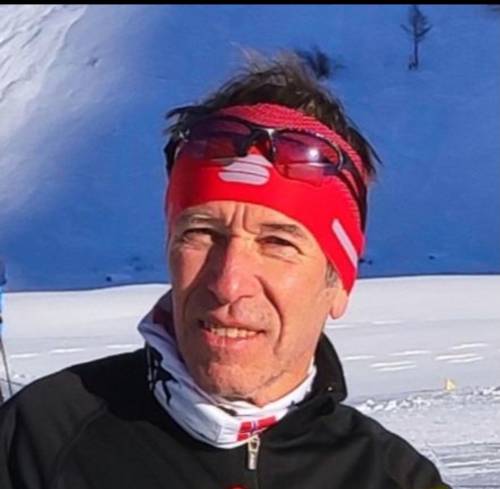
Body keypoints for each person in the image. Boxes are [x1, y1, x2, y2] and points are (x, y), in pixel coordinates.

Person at [0, 50, 451, 488]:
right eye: (201, 234)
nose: (228, 282)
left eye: (277, 243)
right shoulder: (41, 438)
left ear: (339, 284)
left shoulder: (391, 476)